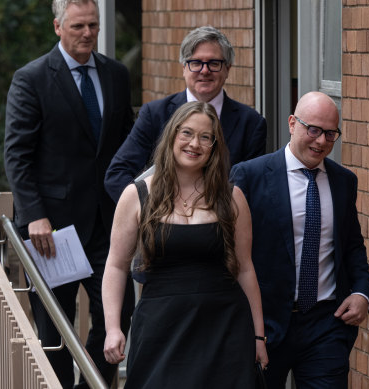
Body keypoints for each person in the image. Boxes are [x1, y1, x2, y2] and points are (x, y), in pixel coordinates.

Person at [3, 1, 135, 387]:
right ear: (58, 27)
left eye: (93, 25)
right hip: (53, 231)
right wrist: (34, 215)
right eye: (78, 26)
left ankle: (91, 383)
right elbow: (17, 155)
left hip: (109, 223)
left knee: (117, 315)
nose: (88, 33)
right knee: (53, 332)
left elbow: (126, 142)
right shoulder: (32, 78)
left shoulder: (115, 74)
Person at [101, 101, 268, 388]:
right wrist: (113, 328)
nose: (195, 143)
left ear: (215, 146)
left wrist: (258, 336)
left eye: (206, 137)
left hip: (224, 327)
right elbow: (116, 266)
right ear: (172, 136)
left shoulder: (232, 197)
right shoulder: (137, 194)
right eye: (187, 133)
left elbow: (245, 269)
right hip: (160, 329)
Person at [230, 91, 369, 388]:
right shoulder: (249, 176)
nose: (321, 141)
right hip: (264, 324)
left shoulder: (343, 181)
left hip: (326, 323)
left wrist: (362, 293)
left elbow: (352, 246)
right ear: (292, 123)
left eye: (331, 134)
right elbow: (232, 254)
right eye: (314, 130)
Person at [104, 25, 267, 203]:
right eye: (196, 63)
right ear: (184, 68)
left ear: (227, 69)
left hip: (224, 225)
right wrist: (157, 214)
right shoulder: (155, 114)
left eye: (214, 63)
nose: (205, 71)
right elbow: (117, 174)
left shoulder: (251, 123)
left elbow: (253, 187)